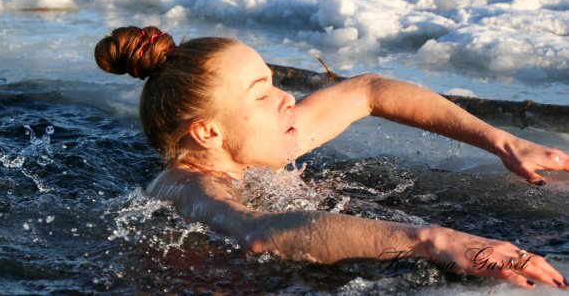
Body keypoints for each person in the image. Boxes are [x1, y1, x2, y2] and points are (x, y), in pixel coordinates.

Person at [95, 25, 569, 289]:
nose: (286, 99)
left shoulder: (254, 144)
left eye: (274, 82)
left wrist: (503, 142)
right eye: (261, 95)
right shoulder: (191, 187)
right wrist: (433, 239)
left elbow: (367, 90)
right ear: (208, 131)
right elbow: (260, 233)